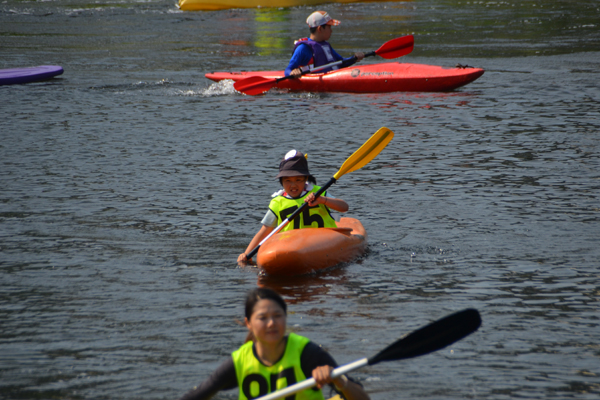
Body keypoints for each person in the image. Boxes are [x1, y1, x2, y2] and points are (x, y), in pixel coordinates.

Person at [178, 288, 370, 400]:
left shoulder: (307, 353)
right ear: (248, 324)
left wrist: (339, 380)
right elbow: (197, 395)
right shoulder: (239, 361)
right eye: (263, 318)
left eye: (278, 316)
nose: (272, 323)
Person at [237, 150, 349, 265]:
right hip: (291, 247)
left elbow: (344, 207)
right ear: (281, 181)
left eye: (298, 180)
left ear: (305, 179)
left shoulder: (318, 193)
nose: (293, 185)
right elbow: (265, 231)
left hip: (322, 243)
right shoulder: (278, 202)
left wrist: (322, 200)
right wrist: (246, 254)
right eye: (288, 181)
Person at [285, 11, 365, 78]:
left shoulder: (325, 45)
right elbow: (288, 70)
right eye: (329, 27)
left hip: (333, 79)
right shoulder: (303, 48)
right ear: (320, 29)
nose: (331, 31)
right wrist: (293, 72)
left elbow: (341, 62)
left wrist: (354, 58)